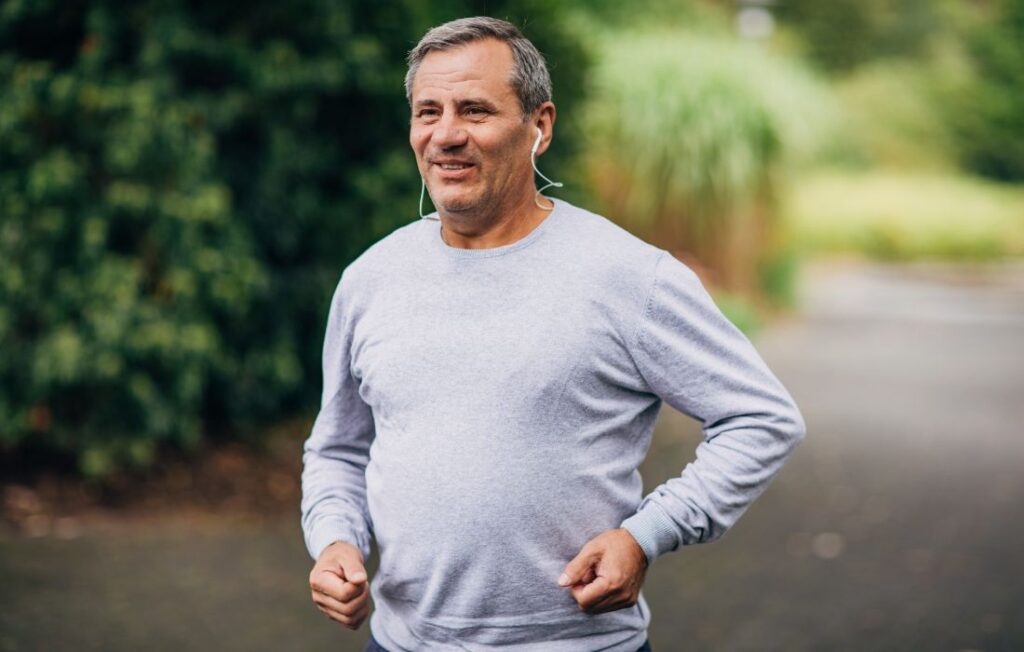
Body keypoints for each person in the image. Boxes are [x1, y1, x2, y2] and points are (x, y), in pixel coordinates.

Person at [300, 16, 806, 652]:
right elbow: (339, 448)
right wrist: (334, 541)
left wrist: (645, 534)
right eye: (428, 111)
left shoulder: (626, 276)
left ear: (538, 126)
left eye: (476, 110)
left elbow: (761, 418)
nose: (446, 134)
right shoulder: (371, 278)